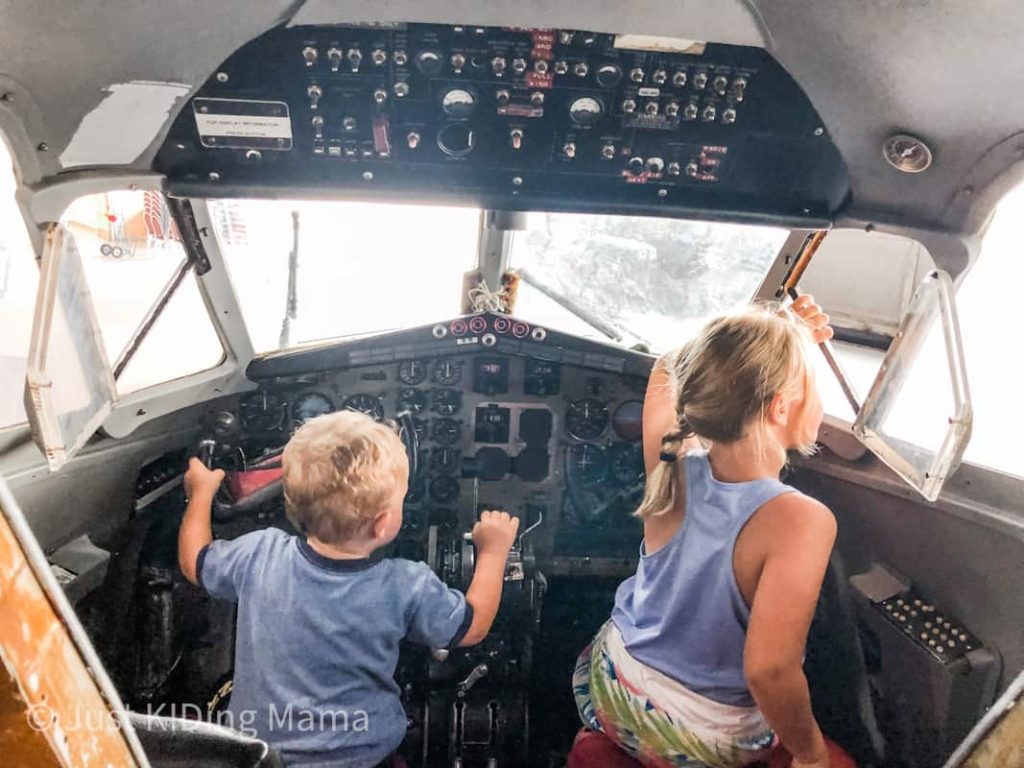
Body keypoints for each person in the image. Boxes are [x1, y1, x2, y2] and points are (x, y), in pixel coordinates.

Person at [571, 297, 851, 768]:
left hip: (607, 684)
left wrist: (772, 336)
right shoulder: (801, 520)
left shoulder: (672, 466)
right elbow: (769, 670)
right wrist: (810, 753)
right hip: (702, 736)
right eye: (813, 385)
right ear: (781, 407)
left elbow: (667, 367)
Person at [178, 410, 520, 767]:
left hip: (261, 757)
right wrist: (493, 551)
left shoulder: (258, 554)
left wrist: (200, 494)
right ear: (384, 524)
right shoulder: (404, 585)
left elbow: (194, 561)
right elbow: (473, 625)